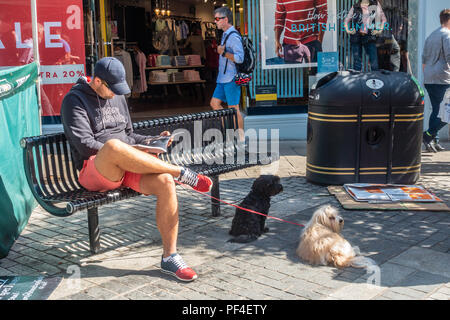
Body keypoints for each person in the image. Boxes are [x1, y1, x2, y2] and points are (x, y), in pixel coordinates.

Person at [60, 57, 214, 282]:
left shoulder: (117, 95)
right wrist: (125, 151)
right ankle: (179, 172)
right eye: (112, 89)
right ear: (97, 81)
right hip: (95, 169)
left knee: (164, 182)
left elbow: (130, 135)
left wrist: (151, 140)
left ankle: (170, 257)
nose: (116, 94)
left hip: (125, 166)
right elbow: (84, 145)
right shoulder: (74, 100)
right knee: (114, 146)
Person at [210, 6, 245, 138]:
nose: (215, 21)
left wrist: (223, 53)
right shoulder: (225, 34)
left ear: (226, 19)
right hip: (222, 78)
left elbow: (240, 58)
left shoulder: (233, 36)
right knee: (214, 103)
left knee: (234, 108)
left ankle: (241, 139)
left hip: (231, 78)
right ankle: (230, 134)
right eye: (215, 19)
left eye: (218, 18)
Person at [422, 9, 450, 152]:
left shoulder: (431, 35)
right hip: (442, 78)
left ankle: (434, 141)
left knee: (436, 111)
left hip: (430, 78)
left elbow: (424, 59)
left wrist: (427, 75)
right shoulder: (447, 35)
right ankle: (427, 136)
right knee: (446, 113)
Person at [274, 0, 328, 65]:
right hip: (290, 42)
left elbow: (322, 13)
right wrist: (277, 40)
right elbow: (279, 17)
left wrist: (319, 41)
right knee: (294, 74)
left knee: (314, 74)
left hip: (312, 40)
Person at [344, 0, 387, 72]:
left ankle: (375, 81)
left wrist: (379, 30)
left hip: (369, 36)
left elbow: (384, 19)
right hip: (356, 36)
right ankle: (357, 81)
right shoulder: (355, 6)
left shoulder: (375, 4)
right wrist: (348, 30)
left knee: (374, 63)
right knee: (357, 64)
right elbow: (346, 21)